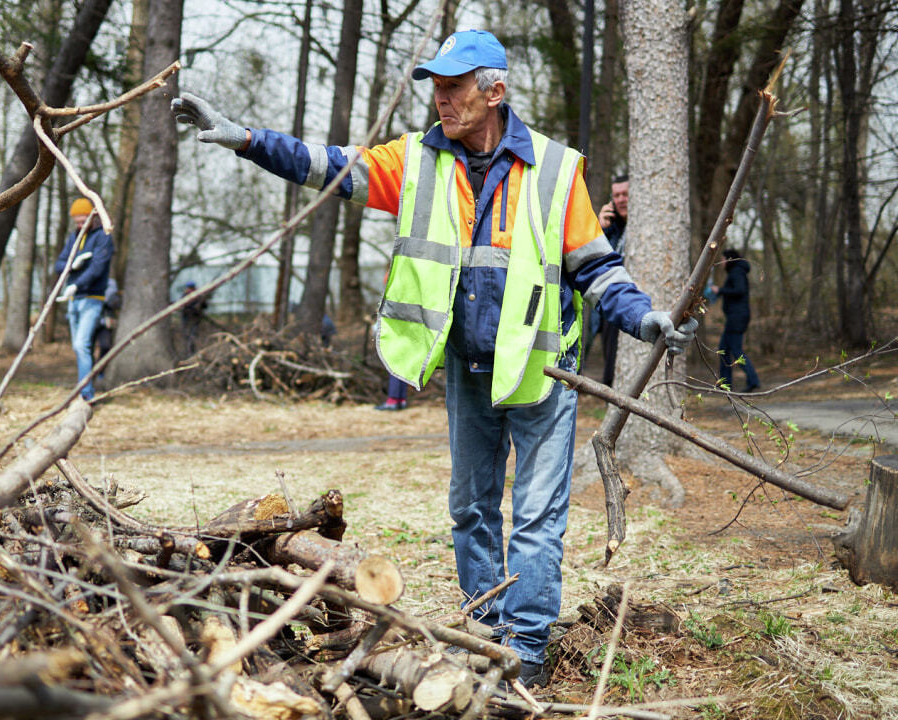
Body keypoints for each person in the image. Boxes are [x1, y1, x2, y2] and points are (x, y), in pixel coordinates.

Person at [172, 28, 696, 688]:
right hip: (467, 373)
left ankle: (525, 650)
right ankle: (484, 630)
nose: (441, 100)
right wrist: (246, 139)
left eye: (453, 87)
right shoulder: (418, 161)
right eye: (436, 88)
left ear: (495, 91)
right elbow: (328, 164)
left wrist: (645, 317)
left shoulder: (557, 171)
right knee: (471, 511)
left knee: (535, 521)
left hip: (541, 377)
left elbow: (597, 269)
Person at [54, 197, 113, 402]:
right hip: (74, 299)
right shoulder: (74, 238)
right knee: (78, 347)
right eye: (77, 222)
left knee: (81, 345)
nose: (80, 225)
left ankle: (86, 394)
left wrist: (77, 284)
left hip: (92, 298)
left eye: (83, 221)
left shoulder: (103, 237)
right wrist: (72, 266)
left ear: (93, 217)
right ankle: (83, 388)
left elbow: (98, 268)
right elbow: (59, 264)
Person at [593, 175, 629, 386]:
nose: (621, 199)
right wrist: (601, 229)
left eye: (626, 194)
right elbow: (596, 262)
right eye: (617, 195)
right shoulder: (612, 229)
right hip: (611, 307)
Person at [710, 249, 760, 392]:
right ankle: (726, 384)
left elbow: (740, 290)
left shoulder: (737, 272)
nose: (722, 262)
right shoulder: (736, 272)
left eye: (723, 259)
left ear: (729, 259)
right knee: (724, 350)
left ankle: (753, 380)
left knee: (736, 350)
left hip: (737, 317)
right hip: (736, 317)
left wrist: (720, 290)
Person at [180, 281, 208, 355]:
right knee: (186, 335)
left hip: (195, 319)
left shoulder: (198, 296)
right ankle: (187, 351)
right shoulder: (185, 296)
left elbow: (205, 306)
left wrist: (201, 304)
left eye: (191, 288)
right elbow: (182, 306)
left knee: (193, 335)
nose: (189, 289)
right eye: (188, 288)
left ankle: (192, 351)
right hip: (186, 318)